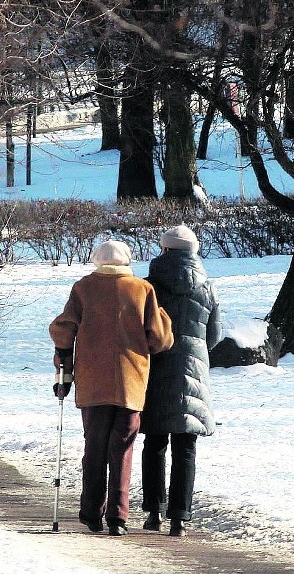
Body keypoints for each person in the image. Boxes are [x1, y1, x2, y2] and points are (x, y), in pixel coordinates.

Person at [49, 239, 173, 536]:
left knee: (94, 448)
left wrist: (63, 362)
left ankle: (92, 512)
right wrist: (164, 318)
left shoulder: (83, 288)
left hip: (92, 384)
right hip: (131, 382)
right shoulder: (142, 290)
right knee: (123, 449)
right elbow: (159, 339)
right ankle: (118, 517)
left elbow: (63, 330)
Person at [141, 225, 222, 538]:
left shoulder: (149, 286)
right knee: (186, 446)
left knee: (155, 442)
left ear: (165, 250)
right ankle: (180, 517)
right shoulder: (208, 287)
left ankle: (153, 511)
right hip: (194, 370)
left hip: (156, 369)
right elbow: (214, 336)